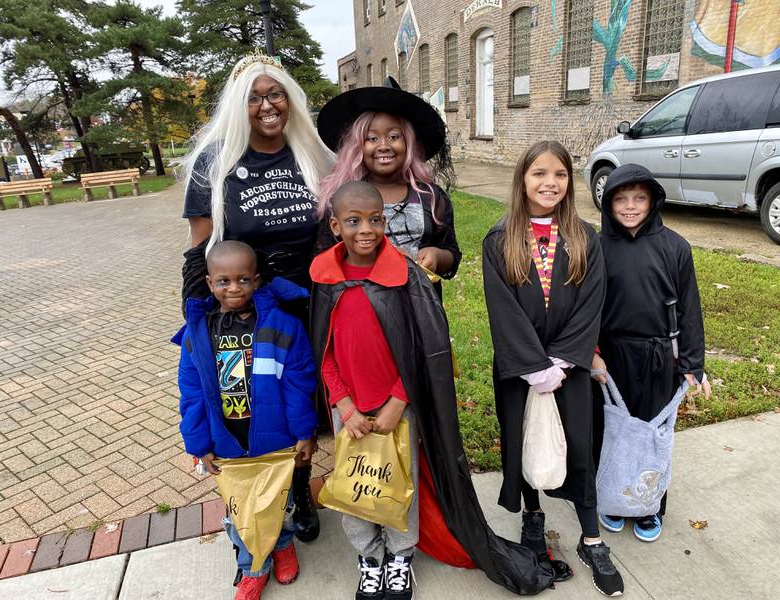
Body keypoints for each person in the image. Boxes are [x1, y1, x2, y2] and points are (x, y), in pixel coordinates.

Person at [309, 181, 555, 600]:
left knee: (400, 481)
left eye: (374, 220)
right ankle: (369, 558)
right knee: (356, 484)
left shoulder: (405, 275)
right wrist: (344, 404)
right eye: (353, 221)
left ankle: (400, 557)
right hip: (347, 406)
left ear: (385, 222)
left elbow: (426, 348)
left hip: (398, 405)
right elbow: (324, 351)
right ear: (335, 226)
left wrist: (399, 400)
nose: (365, 229)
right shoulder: (325, 277)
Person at [181, 53, 334, 543]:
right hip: (248, 302)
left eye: (276, 94)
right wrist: (196, 312)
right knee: (251, 400)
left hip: (310, 299)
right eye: (254, 97)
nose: (267, 105)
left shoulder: (313, 155)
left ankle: (299, 491)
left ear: (290, 101)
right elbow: (199, 247)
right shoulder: (215, 164)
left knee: (305, 399)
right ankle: (261, 501)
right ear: (237, 106)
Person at [482, 141, 624, 597]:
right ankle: (532, 519)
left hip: (571, 366)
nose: (550, 183)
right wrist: (533, 366)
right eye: (539, 173)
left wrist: (562, 360)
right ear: (522, 179)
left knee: (579, 446)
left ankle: (591, 537)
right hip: (520, 367)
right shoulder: (500, 240)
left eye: (560, 174)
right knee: (525, 441)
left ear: (570, 181)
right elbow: (502, 309)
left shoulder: (586, 238)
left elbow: (591, 304)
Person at [173, 240, 317, 600]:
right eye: (224, 281)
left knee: (277, 503)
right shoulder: (198, 333)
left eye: (243, 280)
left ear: (257, 280)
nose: (234, 288)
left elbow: (300, 383)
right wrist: (198, 443)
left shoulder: (282, 326)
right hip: (227, 443)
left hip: (275, 440)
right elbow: (191, 393)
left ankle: (282, 545)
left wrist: (304, 432)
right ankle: (253, 566)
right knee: (239, 510)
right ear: (209, 283)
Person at [591, 163, 711, 543]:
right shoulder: (596, 246)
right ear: (608, 204)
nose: (630, 206)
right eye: (621, 199)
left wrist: (693, 364)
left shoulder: (675, 247)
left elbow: (690, 309)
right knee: (611, 431)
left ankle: (648, 505)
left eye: (639, 198)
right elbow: (585, 308)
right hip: (610, 356)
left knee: (652, 434)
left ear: (653, 200)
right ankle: (612, 499)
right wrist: (589, 354)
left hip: (660, 356)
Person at [315, 77, 461, 288]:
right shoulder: (342, 199)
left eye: (394, 136)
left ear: (409, 142)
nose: (383, 145)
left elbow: (452, 254)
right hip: (362, 302)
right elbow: (324, 257)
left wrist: (437, 256)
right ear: (357, 147)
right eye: (372, 138)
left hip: (419, 307)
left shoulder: (429, 197)